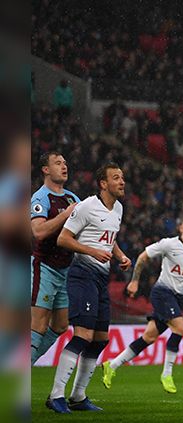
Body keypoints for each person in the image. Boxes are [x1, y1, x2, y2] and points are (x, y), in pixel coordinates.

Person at [46, 163, 131, 413]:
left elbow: (109, 239)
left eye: (122, 177)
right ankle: (55, 395)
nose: (122, 182)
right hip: (82, 275)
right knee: (83, 335)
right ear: (103, 184)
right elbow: (63, 238)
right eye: (116, 178)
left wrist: (119, 255)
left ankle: (78, 396)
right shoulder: (86, 207)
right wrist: (92, 251)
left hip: (102, 278)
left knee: (100, 340)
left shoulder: (118, 208)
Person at [102, 215, 183, 393]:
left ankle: (112, 365)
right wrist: (134, 281)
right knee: (180, 328)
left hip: (179, 296)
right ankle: (167, 373)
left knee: (149, 337)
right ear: (180, 227)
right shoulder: (168, 244)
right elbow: (142, 257)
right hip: (162, 292)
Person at [31, 152, 79, 364]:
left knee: (60, 325)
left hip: (66, 269)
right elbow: (39, 232)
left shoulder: (72, 198)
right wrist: (65, 215)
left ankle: (24, 361)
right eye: (58, 163)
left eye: (65, 162)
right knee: (38, 325)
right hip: (45, 267)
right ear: (46, 169)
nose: (64, 166)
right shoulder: (40, 197)